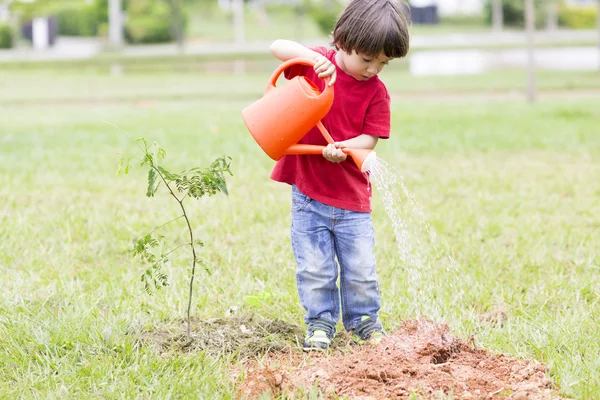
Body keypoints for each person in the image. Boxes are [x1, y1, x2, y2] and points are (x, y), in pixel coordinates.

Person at [269, 0, 410, 350]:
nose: (374, 69)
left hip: (352, 200)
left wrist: (345, 147)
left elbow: (370, 138)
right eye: (367, 59)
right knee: (315, 268)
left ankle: (364, 322)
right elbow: (277, 47)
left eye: (384, 63)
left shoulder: (376, 92)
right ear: (342, 41)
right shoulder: (318, 66)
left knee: (361, 269)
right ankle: (320, 323)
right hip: (309, 195)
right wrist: (312, 57)